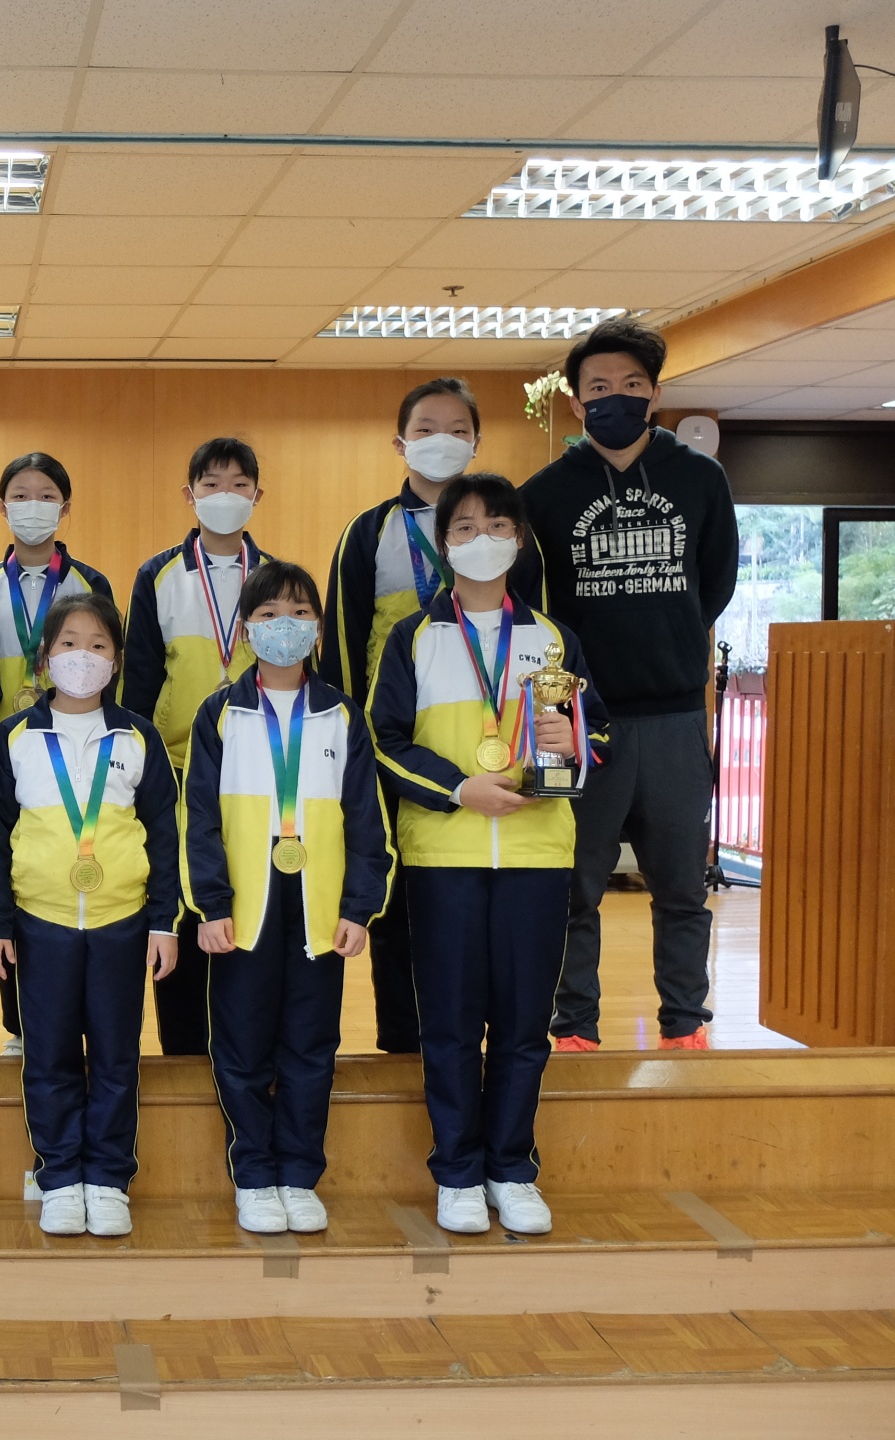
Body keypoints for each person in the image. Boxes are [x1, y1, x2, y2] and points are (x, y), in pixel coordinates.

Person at [369, 474, 610, 1237]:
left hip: (537, 853)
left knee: (522, 1024)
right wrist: (458, 788)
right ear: (445, 544)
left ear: (520, 539)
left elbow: (597, 736)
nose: (483, 540)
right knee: (448, 1023)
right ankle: (458, 1171)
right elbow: (385, 741)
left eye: (498, 526)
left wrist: (568, 746)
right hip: (444, 856)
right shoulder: (413, 637)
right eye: (466, 527)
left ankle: (512, 1167)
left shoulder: (553, 640)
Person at [520, 318, 738, 1052]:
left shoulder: (700, 478)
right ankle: (574, 1027)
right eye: (599, 387)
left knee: (681, 887)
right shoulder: (544, 493)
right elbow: (536, 604)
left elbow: (714, 583)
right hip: (576, 716)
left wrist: (666, 635)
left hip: (675, 715)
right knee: (572, 887)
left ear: (655, 394)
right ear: (575, 402)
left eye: (631, 385)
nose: (615, 397)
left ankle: (685, 1023)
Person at [324, 379, 541, 1055]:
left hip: (494, 745)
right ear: (401, 443)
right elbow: (342, 642)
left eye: (456, 428)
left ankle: (484, 1040)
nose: (441, 439)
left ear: (477, 441)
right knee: (396, 896)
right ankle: (403, 1040)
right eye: (426, 428)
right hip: (393, 747)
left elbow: (541, 637)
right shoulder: (368, 533)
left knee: (488, 902)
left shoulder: (511, 533)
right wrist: (351, 748)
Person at [187, 562, 391, 1235]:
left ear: (318, 628)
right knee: (242, 1047)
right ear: (246, 630)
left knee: (311, 1045)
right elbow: (199, 819)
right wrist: (212, 905)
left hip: (319, 912)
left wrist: (359, 906)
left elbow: (367, 822)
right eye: (270, 613)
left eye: (300, 613)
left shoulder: (341, 714)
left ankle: (299, 1174)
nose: (286, 625)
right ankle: (253, 1173)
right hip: (243, 912)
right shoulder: (219, 714)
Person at [0, 592, 178, 1238]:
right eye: (68, 644)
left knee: (117, 1056)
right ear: (44, 657)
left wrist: (162, 920)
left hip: (122, 923)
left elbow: (164, 834)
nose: (82, 657)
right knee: (50, 1056)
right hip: (41, 923)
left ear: (116, 659)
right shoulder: (15, 738)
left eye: (97, 645)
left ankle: (109, 1178)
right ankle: (61, 1175)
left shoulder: (138, 737)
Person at [121, 436, 277, 1056]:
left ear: (258, 495)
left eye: (239, 484)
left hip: (257, 772)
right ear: (189, 495)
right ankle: (184, 1050)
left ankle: (244, 1045)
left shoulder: (275, 579)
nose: (225, 495)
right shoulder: (157, 576)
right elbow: (139, 681)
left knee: (245, 899)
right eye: (211, 484)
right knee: (181, 908)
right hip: (179, 768)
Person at [0, 451, 115, 1057]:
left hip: (79, 744)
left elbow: (111, 665)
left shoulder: (91, 584)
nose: (32, 506)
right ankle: (20, 1021)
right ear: (2, 505)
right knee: (14, 878)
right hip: (7, 752)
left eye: (45, 496)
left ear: (65, 507)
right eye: (20, 495)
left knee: (73, 871)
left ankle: (84, 1018)